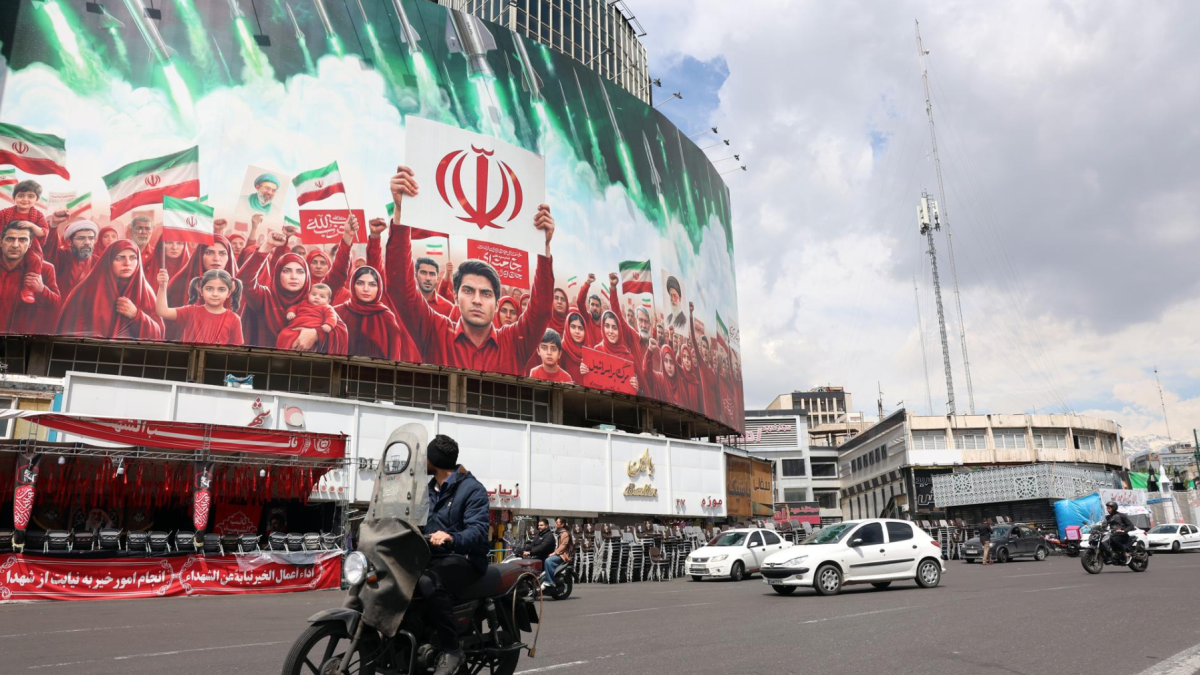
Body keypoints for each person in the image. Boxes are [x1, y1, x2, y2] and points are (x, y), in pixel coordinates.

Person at [384, 165, 555, 377]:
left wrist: (543, 248)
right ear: (455, 296)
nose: (477, 300)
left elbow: (540, 312)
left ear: (496, 302)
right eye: (468, 291)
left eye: (486, 293)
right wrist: (402, 213)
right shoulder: (434, 332)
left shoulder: (514, 342)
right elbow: (400, 289)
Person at [418, 434, 490, 675]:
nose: (422, 461)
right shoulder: (429, 490)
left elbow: (479, 531)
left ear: (434, 461)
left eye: (426, 457)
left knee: (428, 581)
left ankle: (451, 649)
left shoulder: (472, 490)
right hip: (434, 557)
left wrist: (451, 538)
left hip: (466, 559)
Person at [238, 231, 346, 353]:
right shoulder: (264, 298)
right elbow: (244, 281)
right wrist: (268, 245)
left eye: (300, 272)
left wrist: (316, 334)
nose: (294, 276)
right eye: (287, 271)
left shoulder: (315, 300)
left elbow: (339, 328)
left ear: (307, 276)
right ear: (278, 274)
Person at [57, 239, 163, 340]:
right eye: (119, 258)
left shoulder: (145, 292)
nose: (127, 263)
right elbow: (70, 331)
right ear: (108, 261)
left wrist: (136, 315)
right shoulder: (87, 290)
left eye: (133, 258)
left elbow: (158, 333)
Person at [333, 266, 413, 360]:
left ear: (379, 288)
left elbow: (394, 355)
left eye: (372, 285)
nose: (366, 289)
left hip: (376, 372)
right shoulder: (337, 312)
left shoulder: (387, 317)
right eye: (360, 283)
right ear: (352, 285)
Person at [0, 220, 61, 334]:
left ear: (30, 243)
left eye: (22, 240)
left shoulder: (45, 270)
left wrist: (41, 290)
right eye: (10, 239)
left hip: (22, 338)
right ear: (1, 241)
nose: (15, 245)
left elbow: (55, 306)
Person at [155, 268, 244, 345]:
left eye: (221, 289)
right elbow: (162, 311)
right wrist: (162, 287)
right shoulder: (190, 311)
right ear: (201, 291)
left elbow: (236, 349)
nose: (215, 294)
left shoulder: (234, 319)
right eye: (209, 289)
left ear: (228, 293)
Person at [42, 218, 97, 296]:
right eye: (81, 238)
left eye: (91, 238)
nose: (87, 242)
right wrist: (53, 225)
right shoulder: (61, 256)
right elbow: (49, 248)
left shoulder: (98, 261)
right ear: (69, 242)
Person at [278, 283, 337, 350]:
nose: (317, 297)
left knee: (298, 340)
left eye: (322, 296)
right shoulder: (303, 303)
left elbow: (331, 317)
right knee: (283, 334)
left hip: (311, 328)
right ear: (308, 295)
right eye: (314, 294)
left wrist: (328, 324)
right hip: (295, 327)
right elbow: (294, 307)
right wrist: (291, 312)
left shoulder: (327, 308)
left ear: (328, 301)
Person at [0, 180, 48, 256]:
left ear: (37, 200)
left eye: (30, 196)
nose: (25, 199)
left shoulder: (38, 215)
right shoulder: (4, 213)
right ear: (14, 197)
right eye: (21, 196)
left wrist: (32, 225)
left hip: (29, 248)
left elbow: (43, 233)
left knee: (35, 259)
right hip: (6, 246)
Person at [543, 517, 573, 590]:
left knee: (548, 561)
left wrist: (554, 553)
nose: (555, 524)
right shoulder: (557, 532)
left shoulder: (565, 533)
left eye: (557, 523)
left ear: (562, 524)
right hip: (558, 553)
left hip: (563, 555)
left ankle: (550, 581)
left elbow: (563, 546)